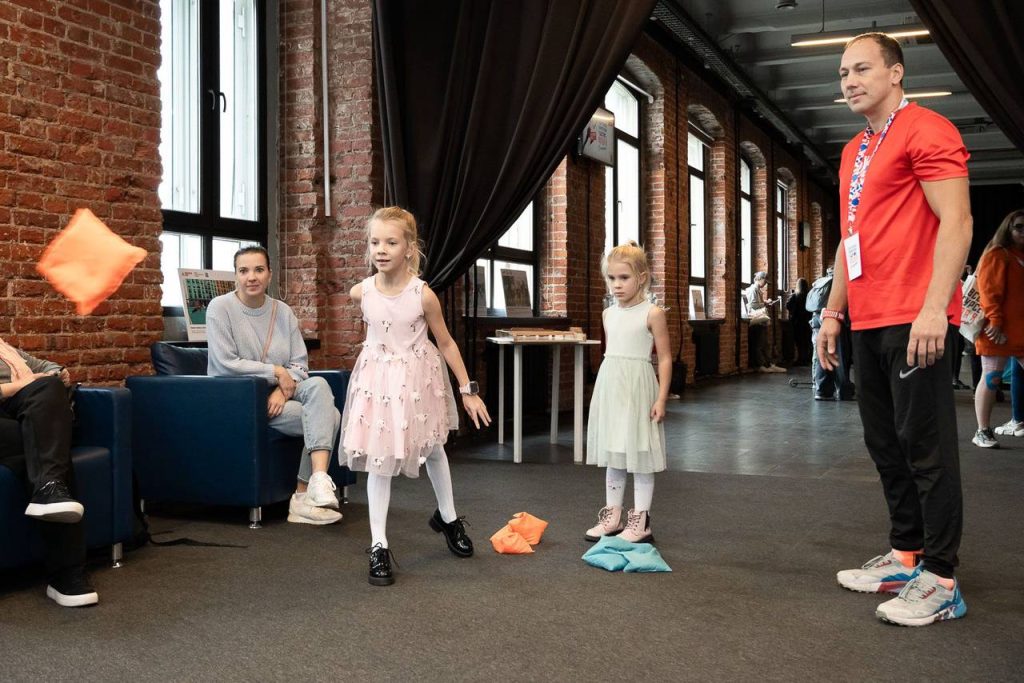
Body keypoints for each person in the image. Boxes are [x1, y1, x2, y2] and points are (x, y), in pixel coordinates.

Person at [821, 33, 972, 626]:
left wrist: (936, 309)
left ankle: (942, 578)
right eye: (843, 73)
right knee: (885, 445)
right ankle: (906, 555)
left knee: (926, 450)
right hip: (868, 318)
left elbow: (957, 221)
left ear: (896, 73)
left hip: (917, 318)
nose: (850, 81)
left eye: (862, 69)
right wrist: (833, 312)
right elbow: (849, 240)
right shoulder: (854, 150)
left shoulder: (927, 129)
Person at [341, 206, 491, 587]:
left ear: (409, 248)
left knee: (433, 448)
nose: (381, 249)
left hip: (417, 380)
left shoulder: (422, 295)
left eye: (391, 242)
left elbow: (447, 343)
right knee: (380, 459)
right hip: (378, 382)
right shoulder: (363, 291)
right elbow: (362, 301)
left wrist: (467, 390)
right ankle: (378, 544)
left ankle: (448, 517)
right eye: (375, 242)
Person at [206, 246, 343, 526]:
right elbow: (226, 363)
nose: (251, 277)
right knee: (332, 416)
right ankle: (302, 498)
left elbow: (300, 365)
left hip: (282, 396)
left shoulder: (283, 311)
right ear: (236, 276)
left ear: (269, 274)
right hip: (243, 400)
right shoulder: (220, 308)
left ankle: (314, 483)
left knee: (318, 384)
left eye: (259, 270)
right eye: (244, 271)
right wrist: (276, 372)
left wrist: (282, 389)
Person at [584, 242, 671, 544]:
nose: (617, 284)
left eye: (624, 277)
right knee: (615, 451)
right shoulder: (608, 314)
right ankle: (613, 516)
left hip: (639, 388)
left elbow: (665, 358)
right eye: (611, 278)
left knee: (641, 452)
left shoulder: (653, 313)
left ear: (642, 278)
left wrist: (661, 398)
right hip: (612, 386)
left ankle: (641, 521)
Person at [0, 340, 97, 607]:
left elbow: (45, 367)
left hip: (18, 417)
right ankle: (68, 574)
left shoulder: (4, 347)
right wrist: (21, 386)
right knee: (46, 440)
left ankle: (49, 487)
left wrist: (56, 373)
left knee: (45, 433)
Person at [970, 209, 1024, 448]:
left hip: (1017, 330)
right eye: (1018, 227)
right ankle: (982, 430)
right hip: (997, 330)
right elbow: (989, 291)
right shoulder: (997, 254)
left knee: (991, 379)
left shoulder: (1016, 255)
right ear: (1008, 229)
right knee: (991, 378)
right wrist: (995, 320)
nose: (1023, 232)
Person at [807, 267, 855, 401]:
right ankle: (844, 390)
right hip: (836, 320)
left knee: (822, 355)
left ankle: (822, 390)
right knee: (840, 356)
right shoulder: (838, 285)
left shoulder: (820, 283)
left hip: (818, 321)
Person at [745, 271, 785, 373]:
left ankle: (768, 364)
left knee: (764, 343)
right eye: (765, 281)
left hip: (760, 320)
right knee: (758, 344)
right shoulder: (753, 290)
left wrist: (765, 303)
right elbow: (753, 305)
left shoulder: (757, 290)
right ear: (759, 279)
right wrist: (765, 303)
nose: (765, 284)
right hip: (756, 320)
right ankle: (761, 365)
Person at [786, 278, 812, 365]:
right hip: (807, 321)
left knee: (799, 341)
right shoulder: (809, 295)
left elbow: (788, 306)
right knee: (807, 341)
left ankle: (800, 359)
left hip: (797, 322)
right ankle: (807, 359)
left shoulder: (795, 296)